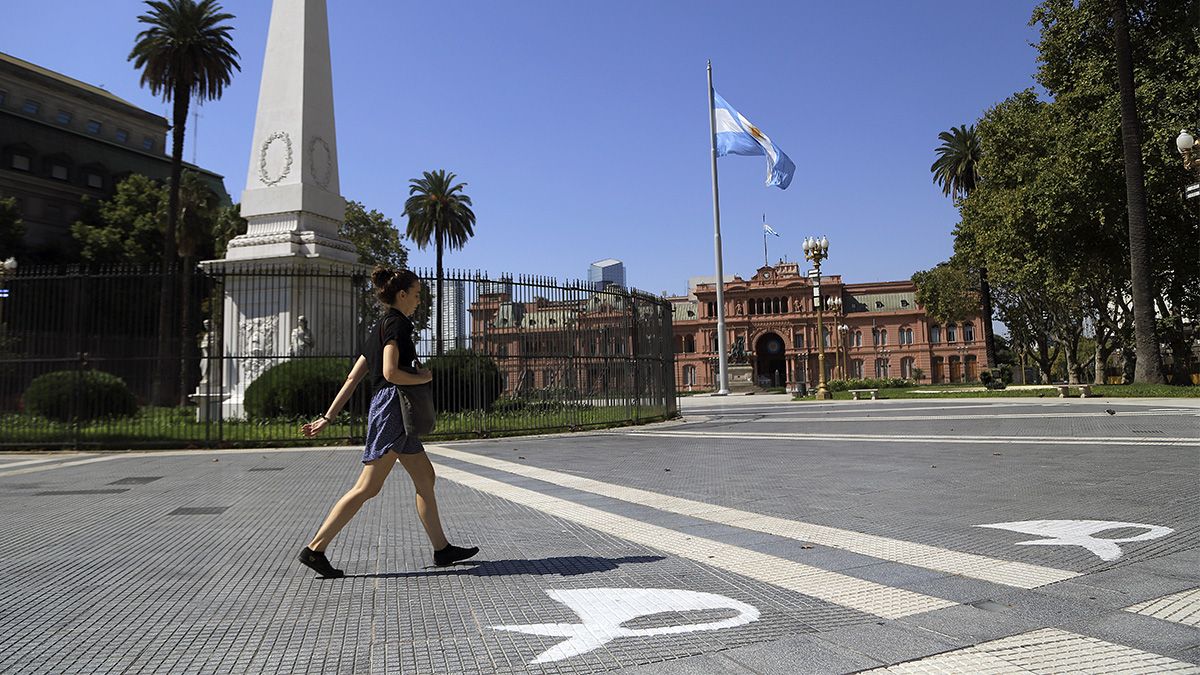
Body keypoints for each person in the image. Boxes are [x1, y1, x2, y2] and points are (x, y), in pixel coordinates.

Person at [297, 266, 479, 578]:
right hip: (395, 408)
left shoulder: (380, 327)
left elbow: (353, 378)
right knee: (367, 487)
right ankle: (315, 549)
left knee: (425, 478)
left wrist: (328, 417)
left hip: (393, 410)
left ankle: (442, 549)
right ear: (402, 294)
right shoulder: (397, 325)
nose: (419, 301)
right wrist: (423, 377)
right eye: (417, 294)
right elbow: (391, 373)